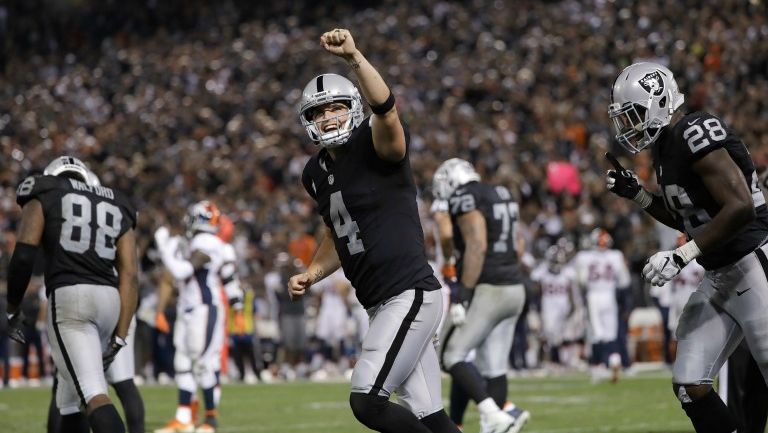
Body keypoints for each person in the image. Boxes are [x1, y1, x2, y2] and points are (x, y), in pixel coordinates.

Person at [289, 28, 459, 433]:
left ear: (353, 108)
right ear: (308, 120)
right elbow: (337, 231)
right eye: (318, 111)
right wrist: (312, 273)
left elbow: (386, 108)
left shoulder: (375, 142)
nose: (328, 116)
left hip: (409, 293)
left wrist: (354, 58)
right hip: (379, 303)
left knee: (367, 400)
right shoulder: (314, 173)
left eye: (336, 107)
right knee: (431, 417)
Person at [606, 61, 768, 433]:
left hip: (754, 260)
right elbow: (688, 219)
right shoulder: (665, 148)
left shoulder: (695, 130)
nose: (629, 126)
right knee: (689, 384)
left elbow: (740, 206)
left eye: (634, 115)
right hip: (721, 272)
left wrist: (682, 255)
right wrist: (639, 196)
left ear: (660, 101)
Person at [7, 156, 138, 433]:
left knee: (93, 395)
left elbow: (23, 256)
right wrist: (120, 335)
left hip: (72, 299)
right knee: (68, 399)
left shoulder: (45, 189)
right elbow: (130, 273)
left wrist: (11, 307)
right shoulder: (117, 200)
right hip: (110, 299)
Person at [431, 158, 530, 433]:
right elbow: (518, 246)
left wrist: (464, 293)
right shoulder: (501, 192)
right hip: (514, 287)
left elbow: (477, 244)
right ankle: (495, 422)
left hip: (488, 288)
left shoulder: (465, 196)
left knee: (450, 355)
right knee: (494, 367)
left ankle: (495, 415)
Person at [153, 201, 227, 433]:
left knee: (203, 363)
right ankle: (184, 418)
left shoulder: (208, 242)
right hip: (188, 309)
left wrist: (164, 247)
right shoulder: (192, 242)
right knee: (182, 363)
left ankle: (210, 419)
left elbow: (182, 271)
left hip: (204, 310)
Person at [571, 228, 631, 382]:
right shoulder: (616, 256)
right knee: (610, 333)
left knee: (596, 334)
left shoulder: (583, 257)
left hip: (594, 295)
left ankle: (599, 367)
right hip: (609, 295)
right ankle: (615, 359)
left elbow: (582, 281)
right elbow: (624, 281)